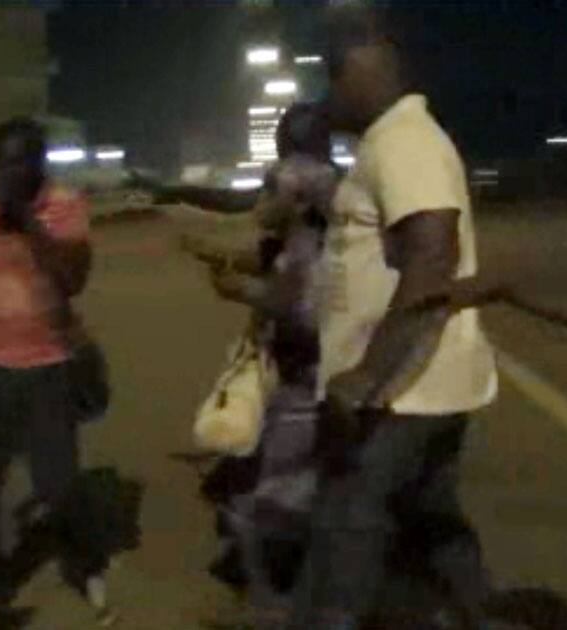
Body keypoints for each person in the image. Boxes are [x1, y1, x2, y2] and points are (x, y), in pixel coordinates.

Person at [288, 11, 499, 629]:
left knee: (344, 537)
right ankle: (481, 612)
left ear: (358, 70)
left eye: (332, 80)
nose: (328, 98)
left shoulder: (403, 140)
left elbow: (432, 255)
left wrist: (365, 377)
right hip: (420, 386)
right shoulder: (392, 143)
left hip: (398, 394)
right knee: (435, 529)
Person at [0, 117, 113, 624]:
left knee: (57, 487)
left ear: (39, 162)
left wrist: (27, 224)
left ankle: (86, 567)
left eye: (18, 161)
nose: (8, 172)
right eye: (0, 163)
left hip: (51, 367)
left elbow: (72, 280)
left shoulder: (65, 207)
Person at [184, 103, 340, 623]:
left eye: (272, 188)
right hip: (303, 379)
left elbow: (299, 307)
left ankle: (279, 608)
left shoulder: (312, 235)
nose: (263, 196)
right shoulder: (318, 222)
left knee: (258, 508)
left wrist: (240, 291)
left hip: (309, 384)